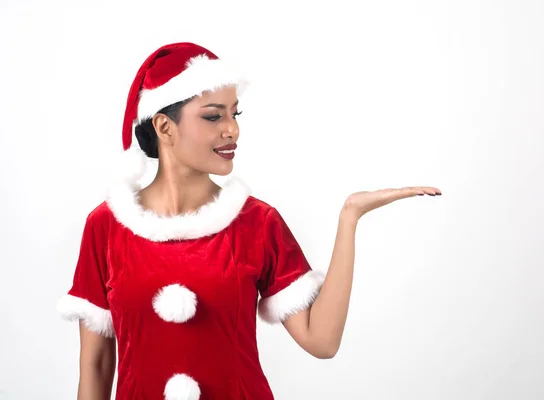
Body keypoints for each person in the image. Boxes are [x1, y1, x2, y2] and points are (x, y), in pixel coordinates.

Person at [56, 41, 441, 400]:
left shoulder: (257, 222)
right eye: (213, 116)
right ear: (164, 126)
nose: (232, 130)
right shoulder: (107, 226)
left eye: (234, 114)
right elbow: (96, 364)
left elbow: (321, 341)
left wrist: (350, 216)